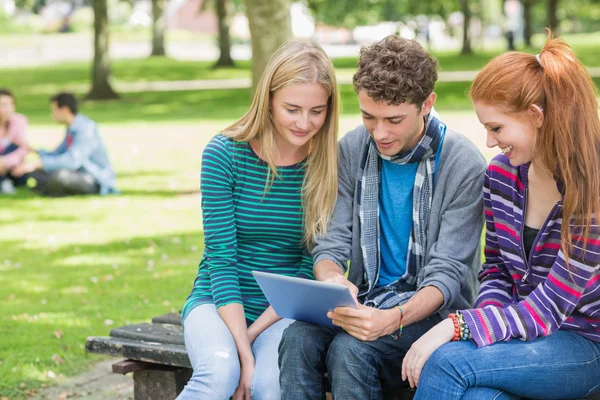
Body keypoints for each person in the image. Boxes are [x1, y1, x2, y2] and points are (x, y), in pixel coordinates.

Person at [278, 35, 487, 399]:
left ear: (427, 104)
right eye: (368, 117)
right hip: (368, 299)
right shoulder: (353, 148)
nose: (380, 133)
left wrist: (394, 318)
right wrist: (331, 279)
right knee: (296, 338)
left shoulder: (462, 164)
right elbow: (331, 241)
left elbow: (447, 276)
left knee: (351, 350)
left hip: (434, 314)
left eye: (394, 119)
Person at [402, 34, 600, 400]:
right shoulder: (500, 176)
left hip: (584, 343)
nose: (490, 142)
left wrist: (458, 327)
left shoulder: (591, 189)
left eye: (496, 128)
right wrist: (487, 330)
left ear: (536, 117)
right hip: (521, 335)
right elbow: (494, 269)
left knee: (446, 361)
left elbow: (550, 308)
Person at [177, 40, 340, 400]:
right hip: (217, 299)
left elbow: (305, 266)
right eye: (292, 109)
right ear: (268, 99)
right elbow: (221, 259)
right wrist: (238, 345)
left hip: (283, 312)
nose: (304, 123)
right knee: (220, 372)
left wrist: (250, 341)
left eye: (317, 111)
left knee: (268, 385)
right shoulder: (223, 154)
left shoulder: (326, 165)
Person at [12, 92, 116, 196]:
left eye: (54, 111)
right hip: (75, 173)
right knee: (36, 172)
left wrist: (38, 164)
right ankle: (50, 187)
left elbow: (72, 161)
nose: (52, 115)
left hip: (92, 178)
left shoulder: (85, 129)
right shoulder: (71, 129)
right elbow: (59, 154)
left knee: (59, 177)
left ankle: (48, 188)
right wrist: (35, 152)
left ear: (65, 110)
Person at [0, 88, 30, 194]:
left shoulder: (20, 121)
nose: (6, 109)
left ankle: (5, 183)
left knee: (16, 146)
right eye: (3, 105)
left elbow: (24, 148)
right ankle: (4, 183)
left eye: (9, 104)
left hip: (13, 164)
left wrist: (5, 162)